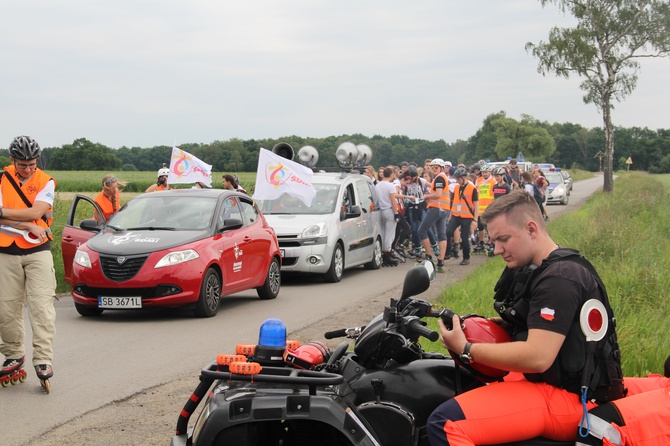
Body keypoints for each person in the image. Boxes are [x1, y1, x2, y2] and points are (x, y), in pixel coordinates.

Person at [427, 189, 626, 446]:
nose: (497, 249)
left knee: (445, 423)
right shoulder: (546, 268)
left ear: (532, 229)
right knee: (469, 386)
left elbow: (538, 357)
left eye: (503, 239)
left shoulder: (560, 278)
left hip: (575, 399)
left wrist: (465, 348)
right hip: (559, 386)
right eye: (493, 241)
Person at [0, 136, 58, 385]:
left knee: (41, 305)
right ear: (12, 160)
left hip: (38, 250)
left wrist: (2, 213)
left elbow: (38, 211)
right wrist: (26, 224)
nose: (28, 169)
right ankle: (13, 354)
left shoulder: (46, 181)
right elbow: (31, 218)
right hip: (5, 250)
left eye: (32, 164)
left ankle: (43, 358)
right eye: (23, 164)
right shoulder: (1, 179)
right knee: (6, 308)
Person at [417, 159, 450, 273]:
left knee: (422, 230)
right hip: (444, 209)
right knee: (441, 235)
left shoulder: (440, 178)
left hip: (437, 208)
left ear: (441, 168)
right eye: (432, 167)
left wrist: (427, 196)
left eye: (436, 167)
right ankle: (440, 261)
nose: (434, 169)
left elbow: (438, 194)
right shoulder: (442, 177)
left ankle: (428, 257)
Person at [446, 167, 478, 266]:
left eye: (459, 179)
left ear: (464, 177)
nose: (457, 181)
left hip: (466, 216)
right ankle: (448, 252)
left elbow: (476, 204)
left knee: (464, 238)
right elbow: (454, 202)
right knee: (448, 232)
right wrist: (450, 215)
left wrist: (475, 219)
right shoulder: (456, 188)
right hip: (456, 215)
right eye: (456, 179)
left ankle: (466, 257)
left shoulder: (472, 188)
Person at [375, 167, 400, 266]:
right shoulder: (390, 186)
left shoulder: (378, 185)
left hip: (381, 210)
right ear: (391, 175)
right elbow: (393, 201)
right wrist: (396, 213)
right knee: (390, 233)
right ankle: (387, 253)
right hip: (389, 210)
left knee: (384, 232)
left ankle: (384, 252)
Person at [474, 164, 495, 252]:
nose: (484, 174)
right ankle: (481, 242)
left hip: (489, 206)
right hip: (480, 207)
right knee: (480, 227)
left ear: (489, 172)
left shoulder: (493, 181)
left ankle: (491, 242)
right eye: (483, 172)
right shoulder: (478, 180)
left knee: (489, 226)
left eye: (486, 172)